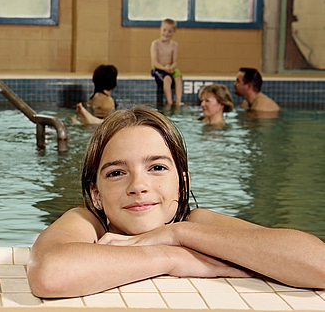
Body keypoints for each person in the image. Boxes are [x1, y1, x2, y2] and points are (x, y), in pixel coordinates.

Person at [27, 106, 325, 298]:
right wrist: (171, 257)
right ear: (96, 195)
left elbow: (319, 264)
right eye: (117, 172)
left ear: (183, 185)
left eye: (157, 168)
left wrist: (177, 234)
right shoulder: (88, 223)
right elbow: (50, 274)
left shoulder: (195, 225)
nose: (138, 186)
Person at [151, 19, 183, 105]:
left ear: (174, 32)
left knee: (178, 77)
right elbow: (154, 63)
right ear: (160, 30)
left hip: (170, 68)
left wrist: (171, 67)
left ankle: (178, 102)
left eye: (170, 31)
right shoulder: (155, 44)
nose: (166, 33)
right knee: (167, 79)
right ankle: (169, 103)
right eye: (164, 30)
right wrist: (165, 68)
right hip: (158, 69)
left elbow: (175, 62)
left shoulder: (174, 45)